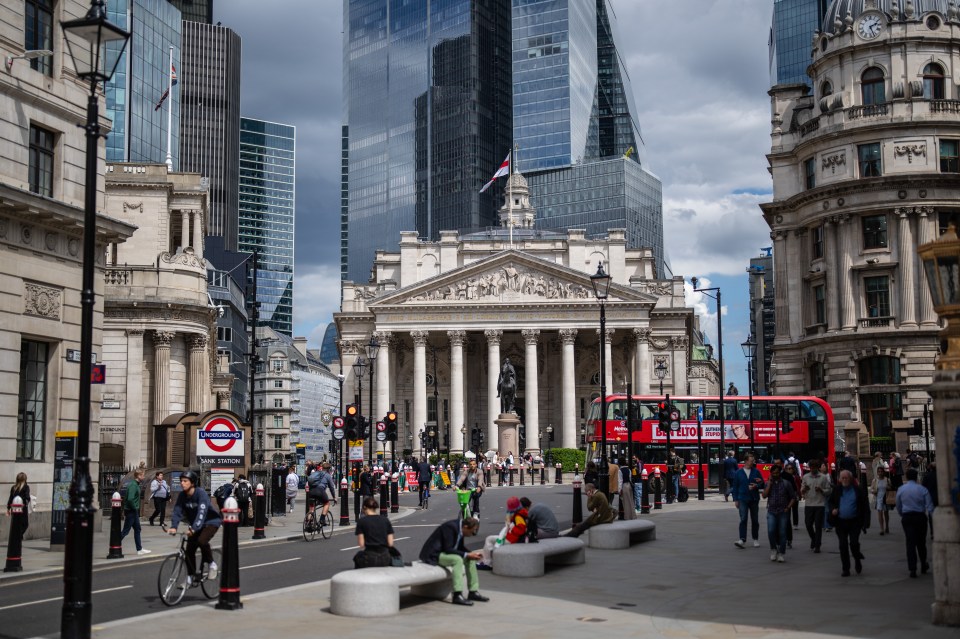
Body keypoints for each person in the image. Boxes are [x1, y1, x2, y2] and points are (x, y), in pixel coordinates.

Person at [419, 517, 489, 606]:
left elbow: (459, 548)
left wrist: (471, 554)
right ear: (466, 527)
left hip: (444, 552)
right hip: (434, 554)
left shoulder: (460, 529)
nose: (473, 534)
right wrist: (467, 554)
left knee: (470, 559)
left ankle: (473, 591)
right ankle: (457, 594)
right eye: (472, 531)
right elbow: (448, 549)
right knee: (457, 560)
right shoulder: (450, 527)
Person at [167, 469, 221, 585]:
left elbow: (202, 512)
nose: (182, 483)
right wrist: (174, 527)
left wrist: (193, 529)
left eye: (185, 481)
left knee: (202, 541)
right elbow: (177, 511)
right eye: (181, 481)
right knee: (189, 550)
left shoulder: (200, 494)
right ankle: (190, 577)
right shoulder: (182, 496)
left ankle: (212, 564)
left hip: (211, 522)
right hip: (196, 525)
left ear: (192, 483)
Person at [828, 470, 870, 577]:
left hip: (854, 522)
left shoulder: (857, 490)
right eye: (842, 478)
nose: (844, 480)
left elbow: (865, 507)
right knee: (843, 545)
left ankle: (857, 558)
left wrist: (865, 522)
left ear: (850, 479)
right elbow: (831, 502)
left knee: (854, 543)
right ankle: (845, 568)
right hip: (841, 522)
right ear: (839, 479)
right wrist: (833, 509)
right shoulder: (837, 490)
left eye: (846, 478)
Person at [895, 467, 935, 578]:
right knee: (921, 542)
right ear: (916, 476)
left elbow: (898, 504)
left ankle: (912, 568)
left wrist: (902, 514)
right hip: (920, 517)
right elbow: (929, 505)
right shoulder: (922, 489)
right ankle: (923, 564)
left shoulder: (902, 489)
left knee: (910, 543)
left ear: (906, 477)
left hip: (907, 517)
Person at [477, 496, 528, 570]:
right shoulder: (522, 513)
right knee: (492, 539)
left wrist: (511, 529)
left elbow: (521, 528)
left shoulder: (518, 516)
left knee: (489, 539)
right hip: (514, 538)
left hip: (512, 539)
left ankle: (488, 563)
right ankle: (489, 560)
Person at [763, 464, 797, 563]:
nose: (775, 475)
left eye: (777, 473)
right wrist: (769, 484)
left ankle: (781, 552)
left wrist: (788, 507)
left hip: (783, 511)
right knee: (771, 531)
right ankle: (773, 549)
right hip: (771, 511)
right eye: (773, 473)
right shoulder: (768, 483)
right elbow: (764, 495)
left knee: (782, 533)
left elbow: (793, 497)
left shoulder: (786, 483)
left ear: (780, 473)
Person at [731, 453, 764, 548]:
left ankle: (755, 538)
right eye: (751, 461)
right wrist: (735, 499)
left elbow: (762, 483)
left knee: (755, 520)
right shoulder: (738, 473)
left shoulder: (756, 471)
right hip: (742, 499)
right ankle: (742, 539)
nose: (752, 463)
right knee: (743, 519)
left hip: (754, 498)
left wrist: (757, 485)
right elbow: (735, 487)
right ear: (745, 461)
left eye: (753, 461)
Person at [801, 458, 832, 552]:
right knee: (808, 524)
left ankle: (817, 545)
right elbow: (802, 490)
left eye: (815, 467)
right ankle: (814, 539)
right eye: (811, 467)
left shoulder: (823, 477)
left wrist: (822, 490)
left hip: (820, 504)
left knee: (818, 526)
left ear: (817, 468)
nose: (813, 469)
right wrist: (804, 489)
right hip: (809, 504)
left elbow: (829, 490)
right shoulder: (806, 477)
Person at [353, 497, 395, 568]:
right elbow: (390, 543)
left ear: (364, 507)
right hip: (385, 557)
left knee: (358, 557)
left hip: (369, 557)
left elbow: (361, 544)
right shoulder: (385, 520)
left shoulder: (361, 522)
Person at [120, 468, 150, 555]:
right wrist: (134, 508)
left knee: (137, 529)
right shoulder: (133, 485)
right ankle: (114, 545)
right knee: (126, 531)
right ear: (139, 476)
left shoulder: (135, 484)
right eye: (143, 475)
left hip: (133, 511)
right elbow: (130, 499)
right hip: (131, 511)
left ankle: (139, 549)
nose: (144, 477)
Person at [6, 472, 30, 542]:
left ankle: (17, 536)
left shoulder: (13, 487)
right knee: (25, 524)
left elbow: (10, 498)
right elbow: (27, 497)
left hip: (14, 508)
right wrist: (28, 500)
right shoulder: (26, 487)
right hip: (22, 508)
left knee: (16, 524)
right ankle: (18, 536)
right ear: (25, 479)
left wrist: (8, 508)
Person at [869, 466, 891, 535]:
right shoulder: (875, 480)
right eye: (879, 471)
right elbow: (871, 489)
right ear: (877, 472)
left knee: (886, 513)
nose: (880, 473)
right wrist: (873, 491)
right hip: (878, 498)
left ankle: (887, 526)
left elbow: (891, 487)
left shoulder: (887, 480)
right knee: (880, 513)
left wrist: (888, 487)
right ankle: (882, 528)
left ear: (883, 472)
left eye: (881, 471)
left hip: (886, 498)